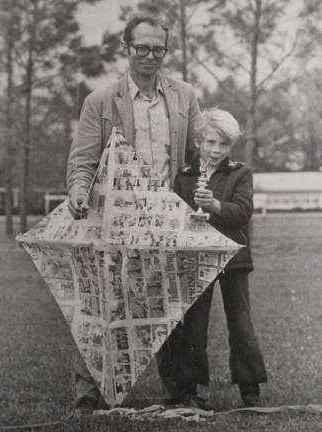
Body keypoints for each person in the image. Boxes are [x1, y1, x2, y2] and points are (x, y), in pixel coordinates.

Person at [66, 14, 202, 414]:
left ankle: (181, 391)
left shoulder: (184, 97)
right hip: (115, 222)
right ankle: (90, 396)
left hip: (166, 220)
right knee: (100, 307)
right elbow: (82, 161)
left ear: (165, 51)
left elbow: (198, 155)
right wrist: (77, 190)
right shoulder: (100, 101)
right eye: (141, 47)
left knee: (172, 307)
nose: (149, 56)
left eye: (158, 49)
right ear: (126, 48)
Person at [156, 108, 267, 409]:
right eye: (210, 143)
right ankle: (189, 389)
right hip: (196, 258)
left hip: (234, 258)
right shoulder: (185, 175)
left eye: (223, 145)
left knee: (241, 322)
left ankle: (249, 390)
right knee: (194, 322)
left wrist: (216, 204)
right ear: (197, 142)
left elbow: (243, 213)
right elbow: (175, 219)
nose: (216, 151)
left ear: (230, 147)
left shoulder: (240, 173)